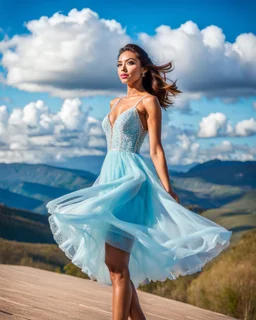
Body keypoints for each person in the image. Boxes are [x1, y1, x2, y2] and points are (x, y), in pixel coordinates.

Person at [46, 43, 232, 320]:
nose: (123, 68)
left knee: (117, 267)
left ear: (144, 68)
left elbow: (156, 149)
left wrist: (168, 188)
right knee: (115, 268)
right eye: (119, 63)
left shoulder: (148, 101)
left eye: (130, 63)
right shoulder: (114, 103)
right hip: (108, 181)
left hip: (131, 183)